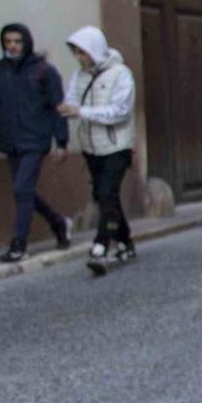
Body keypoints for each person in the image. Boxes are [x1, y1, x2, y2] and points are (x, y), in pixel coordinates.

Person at [0, 22, 71, 263]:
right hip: (10, 139)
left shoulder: (44, 71)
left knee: (21, 189)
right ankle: (59, 223)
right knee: (25, 191)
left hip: (35, 139)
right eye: (8, 42)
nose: (13, 46)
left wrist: (61, 142)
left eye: (18, 41)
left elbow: (57, 108)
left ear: (26, 42)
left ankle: (19, 244)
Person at [57, 26, 138, 267]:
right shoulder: (80, 76)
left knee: (107, 195)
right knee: (104, 197)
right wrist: (67, 111)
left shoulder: (120, 74)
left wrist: (81, 111)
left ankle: (101, 245)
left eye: (83, 53)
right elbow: (72, 100)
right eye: (77, 53)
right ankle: (125, 243)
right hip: (91, 147)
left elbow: (120, 111)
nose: (80, 58)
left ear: (95, 50)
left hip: (117, 146)